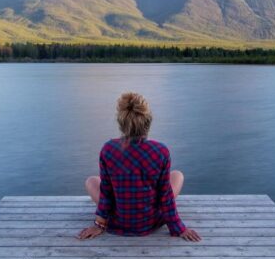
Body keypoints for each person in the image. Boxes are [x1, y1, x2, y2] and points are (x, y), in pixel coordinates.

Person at [78, 92, 201, 242]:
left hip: (119, 220)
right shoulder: (160, 151)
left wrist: (99, 224)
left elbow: (106, 193)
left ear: (121, 123)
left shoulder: (108, 149)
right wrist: (178, 227)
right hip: (149, 222)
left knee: (91, 181)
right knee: (177, 175)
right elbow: (166, 196)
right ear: (148, 121)